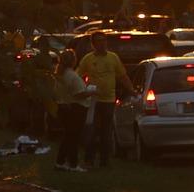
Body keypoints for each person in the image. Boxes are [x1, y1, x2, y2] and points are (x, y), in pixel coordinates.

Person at [79, 32, 133, 168]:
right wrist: (83, 90)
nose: (102, 43)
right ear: (93, 44)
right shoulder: (88, 59)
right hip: (94, 101)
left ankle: (105, 161)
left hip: (109, 100)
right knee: (92, 130)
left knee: (106, 131)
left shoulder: (113, 57)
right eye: (98, 41)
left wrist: (131, 90)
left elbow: (123, 76)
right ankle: (89, 160)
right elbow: (78, 75)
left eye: (104, 40)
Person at [52, 49, 93, 172]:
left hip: (64, 106)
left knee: (68, 136)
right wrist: (91, 92)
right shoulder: (72, 76)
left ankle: (60, 161)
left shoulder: (60, 74)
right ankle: (73, 163)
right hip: (76, 108)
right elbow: (78, 94)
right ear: (73, 61)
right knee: (73, 137)